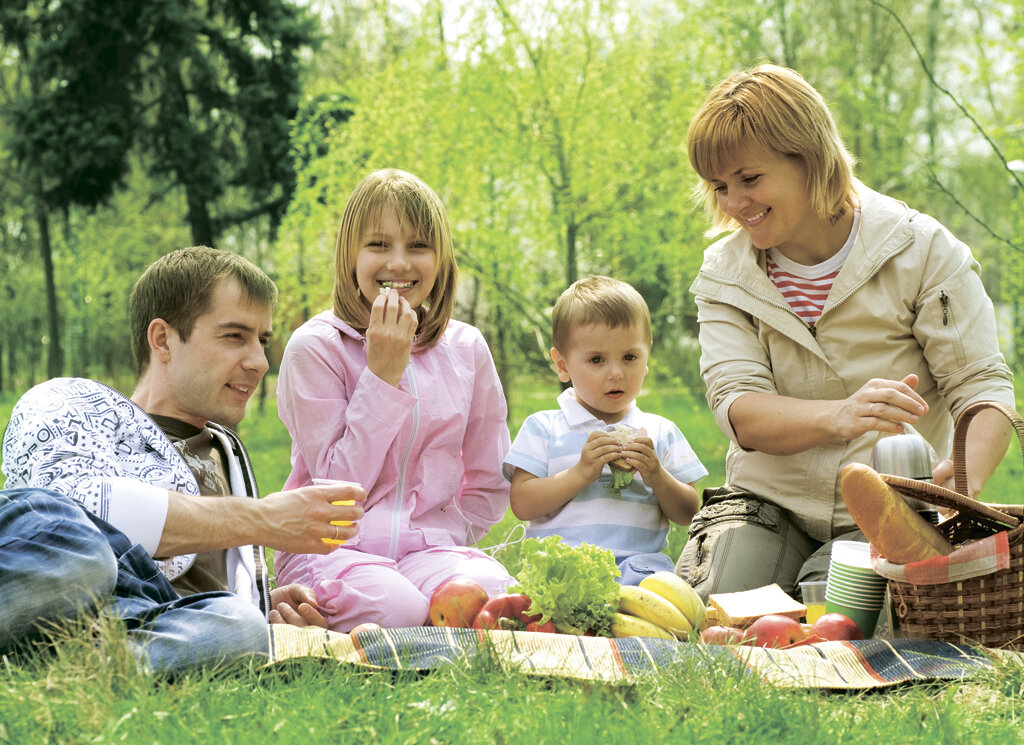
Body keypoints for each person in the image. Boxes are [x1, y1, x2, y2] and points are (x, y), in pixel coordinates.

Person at [675, 63, 1014, 601]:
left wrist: (961, 485)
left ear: (810, 159)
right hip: (765, 501)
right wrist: (839, 415)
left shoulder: (922, 249)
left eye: (750, 179)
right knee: (708, 615)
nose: (733, 203)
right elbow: (737, 406)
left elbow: (982, 386)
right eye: (719, 186)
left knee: (832, 620)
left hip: (889, 502)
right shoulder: (723, 273)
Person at [2, 246, 366, 671]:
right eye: (234, 336)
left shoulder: (228, 455)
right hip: (64, 569)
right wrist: (264, 518)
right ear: (163, 340)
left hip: (126, 620)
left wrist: (263, 601)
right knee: (83, 555)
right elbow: (72, 512)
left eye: (262, 341)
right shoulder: (71, 400)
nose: (260, 362)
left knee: (240, 626)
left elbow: (200, 600)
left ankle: (62, 668)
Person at [274, 168, 513, 631]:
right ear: (351, 256)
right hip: (333, 548)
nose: (399, 264)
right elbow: (335, 492)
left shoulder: (466, 348)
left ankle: (421, 609)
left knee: (489, 589)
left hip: (430, 550)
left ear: (440, 258)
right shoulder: (314, 348)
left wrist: (447, 533)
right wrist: (382, 375)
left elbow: (489, 476)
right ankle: (405, 617)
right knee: (394, 609)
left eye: (418, 246)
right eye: (379, 245)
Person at [503, 276, 707, 585]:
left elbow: (690, 512)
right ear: (563, 365)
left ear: (646, 357)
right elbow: (522, 502)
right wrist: (581, 473)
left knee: (664, 598)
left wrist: (658, 477)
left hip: (639, 571)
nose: (616, 373)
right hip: (563, 571)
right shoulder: (543, 428)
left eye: (629, 357)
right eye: (596, 360)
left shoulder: (660, 431)